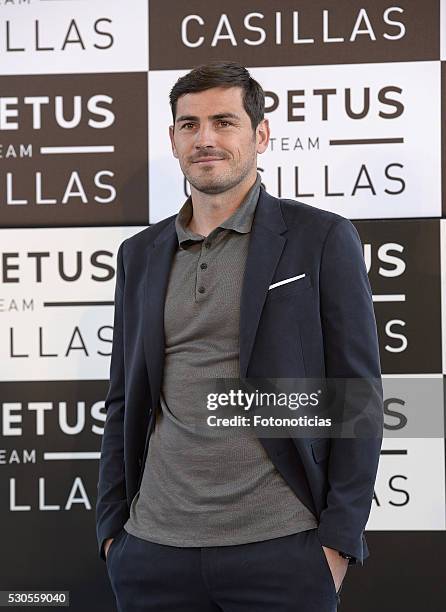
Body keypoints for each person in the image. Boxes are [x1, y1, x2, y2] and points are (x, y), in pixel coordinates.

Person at [96, 61, 383, 612]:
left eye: (224, 122)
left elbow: (358, 395)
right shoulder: (141, 254)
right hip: (152, 550)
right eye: (189, 125)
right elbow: (123, 400)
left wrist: (338, 541)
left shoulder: (320, 238)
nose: (205, 139)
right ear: (173, 140)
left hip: (283, 549)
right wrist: (115, 532)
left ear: (261, 135)